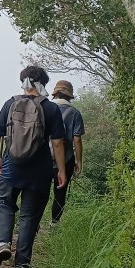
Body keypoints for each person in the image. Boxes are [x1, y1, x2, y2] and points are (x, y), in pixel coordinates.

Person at [0, 66, 68, 268]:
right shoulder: (51, 109)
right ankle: (22, 265)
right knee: (30, 216)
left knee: (4, 203)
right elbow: (58, 143)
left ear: (24, 82)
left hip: (11, 166)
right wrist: (61, 170)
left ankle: (2, 243)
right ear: (43, 84)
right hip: (39, 172)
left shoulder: (10, 104)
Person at [50, 80, 85, 224]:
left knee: (39, 192)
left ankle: (33, 225)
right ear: (69, 96)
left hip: (43, 158)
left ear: (55, 93)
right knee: (60, 193)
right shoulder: (75, 113)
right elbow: (77, 139)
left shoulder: (45, 108)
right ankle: (55, 223)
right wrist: (79, 160)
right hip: (66, 159)